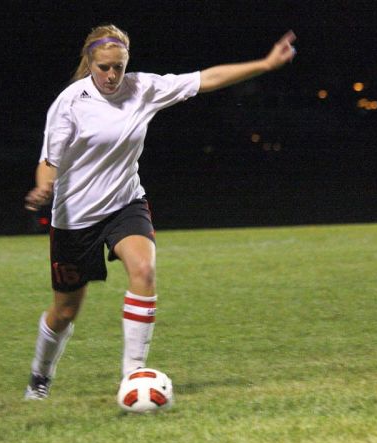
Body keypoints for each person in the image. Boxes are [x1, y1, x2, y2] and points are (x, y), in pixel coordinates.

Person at [23, 24, 297, 400]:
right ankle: (40, 376)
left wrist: (265, 64)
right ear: (89, 62)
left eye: (118, 67)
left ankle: (133, 375)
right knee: (65, 312)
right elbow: (49, 161)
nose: (111, 75)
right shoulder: (70, 103)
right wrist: (44, 186)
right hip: (76, 217)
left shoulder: (142, 88)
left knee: (144, 270)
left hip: (125, 204)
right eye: (103, 67)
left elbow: (206, 79)